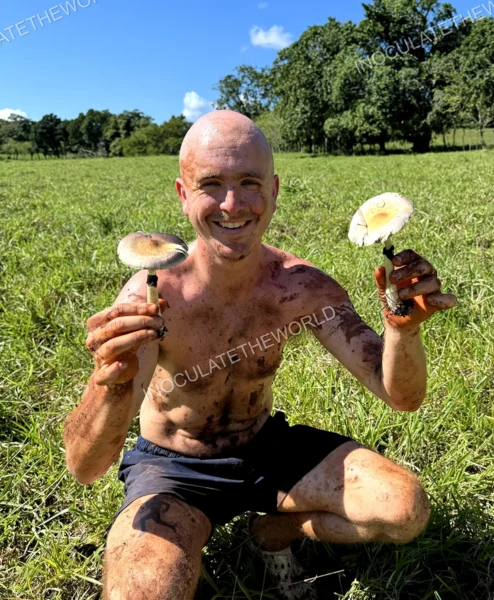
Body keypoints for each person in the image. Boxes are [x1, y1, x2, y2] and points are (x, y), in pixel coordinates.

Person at [63, 110, 457, 600]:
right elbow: (84, 467)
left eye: (249, 182)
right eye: (211, 183)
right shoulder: (153, 299)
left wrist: (403, 330)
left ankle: (275, 532)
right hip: (174, 469)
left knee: (404, 508)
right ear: (183, 194)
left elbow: (401, 396)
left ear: (273, 190)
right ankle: (188, 538)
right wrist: (109, 384)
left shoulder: (301, 287)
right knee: (145, 592)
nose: (232, 203)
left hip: (265, 449)